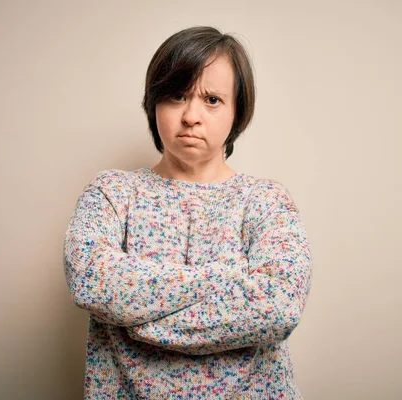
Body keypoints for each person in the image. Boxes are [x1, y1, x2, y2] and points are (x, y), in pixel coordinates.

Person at [63, 26, 313, 399]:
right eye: (177, 95)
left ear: (237, 111)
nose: (192, 115)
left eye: (212, 99)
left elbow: (280, 305)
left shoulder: (266, 201)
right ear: (154, 103)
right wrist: (228, 279)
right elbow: (90, 280)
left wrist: (137, 319)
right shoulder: (112, 193)